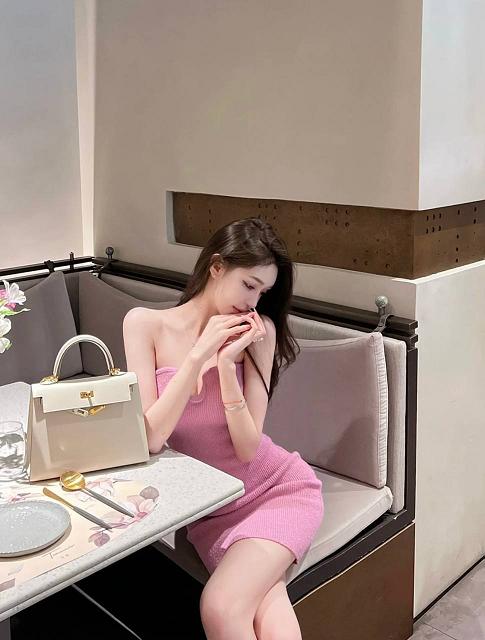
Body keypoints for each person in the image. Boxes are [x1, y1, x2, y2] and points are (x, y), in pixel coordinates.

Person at [123, 217, 324, 640]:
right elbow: (150, 439)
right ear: (217, 267)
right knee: (265, 606)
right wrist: (199, 356)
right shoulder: (144, 325)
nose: (253, 302)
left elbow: (248, 448)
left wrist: (228, 369)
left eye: (262, 293)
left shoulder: (259, 333)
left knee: (220, 606)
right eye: (248, 285)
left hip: (276, 490)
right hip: (211, 509)